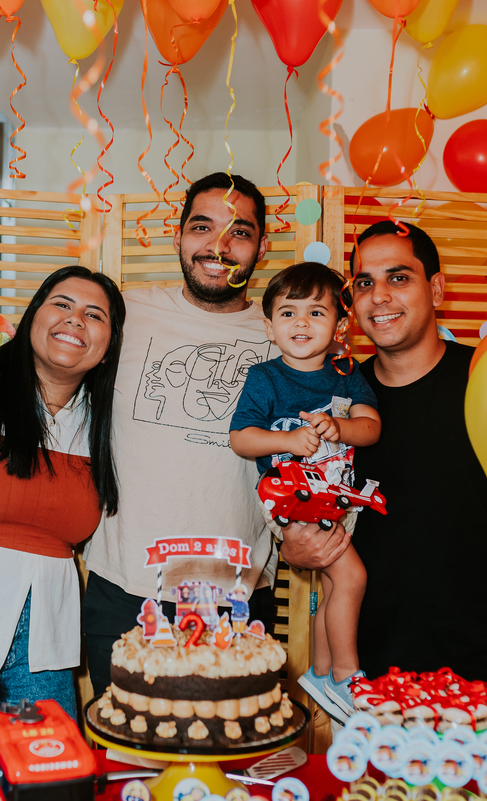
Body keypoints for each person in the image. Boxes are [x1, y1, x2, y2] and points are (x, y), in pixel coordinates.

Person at [279, 220, 487, 764]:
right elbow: (301, 509)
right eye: (364, 283)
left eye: (399, 277)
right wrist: (293, 547)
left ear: (436, 289)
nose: (379, 296)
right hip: (366, 686)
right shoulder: (338, 404)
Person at [82, 172, 332, 699]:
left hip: (238, 599)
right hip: (125, 591)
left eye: (239, 232)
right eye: (202, 227)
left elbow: (315, 453)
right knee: (125, 744)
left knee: (231, 745)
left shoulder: (288, 332)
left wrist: (305, 531)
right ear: (177, 236)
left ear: (262, 247)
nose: (218, 246)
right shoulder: (124, 313)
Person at [0, 266, 126, 720]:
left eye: (94, 315)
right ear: (33, 314)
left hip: (44, 637)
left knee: (45, 755)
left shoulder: (105, 422)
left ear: (108, 346)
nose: (75, 319)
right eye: (62, 304)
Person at [228, 262, 380, 718]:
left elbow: (371, 427)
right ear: (269, 326)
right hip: (291, 497)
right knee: (352, 577)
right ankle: (347, 675)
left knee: (334, 584)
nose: (301, 322)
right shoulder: (265, 377)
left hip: (337, 496)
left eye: (316, 312)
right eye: (288, 312)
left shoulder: (346, 371)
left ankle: (322, 670)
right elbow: (241, 439)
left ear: (339, 325)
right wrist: (288, 441)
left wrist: (340, 427)